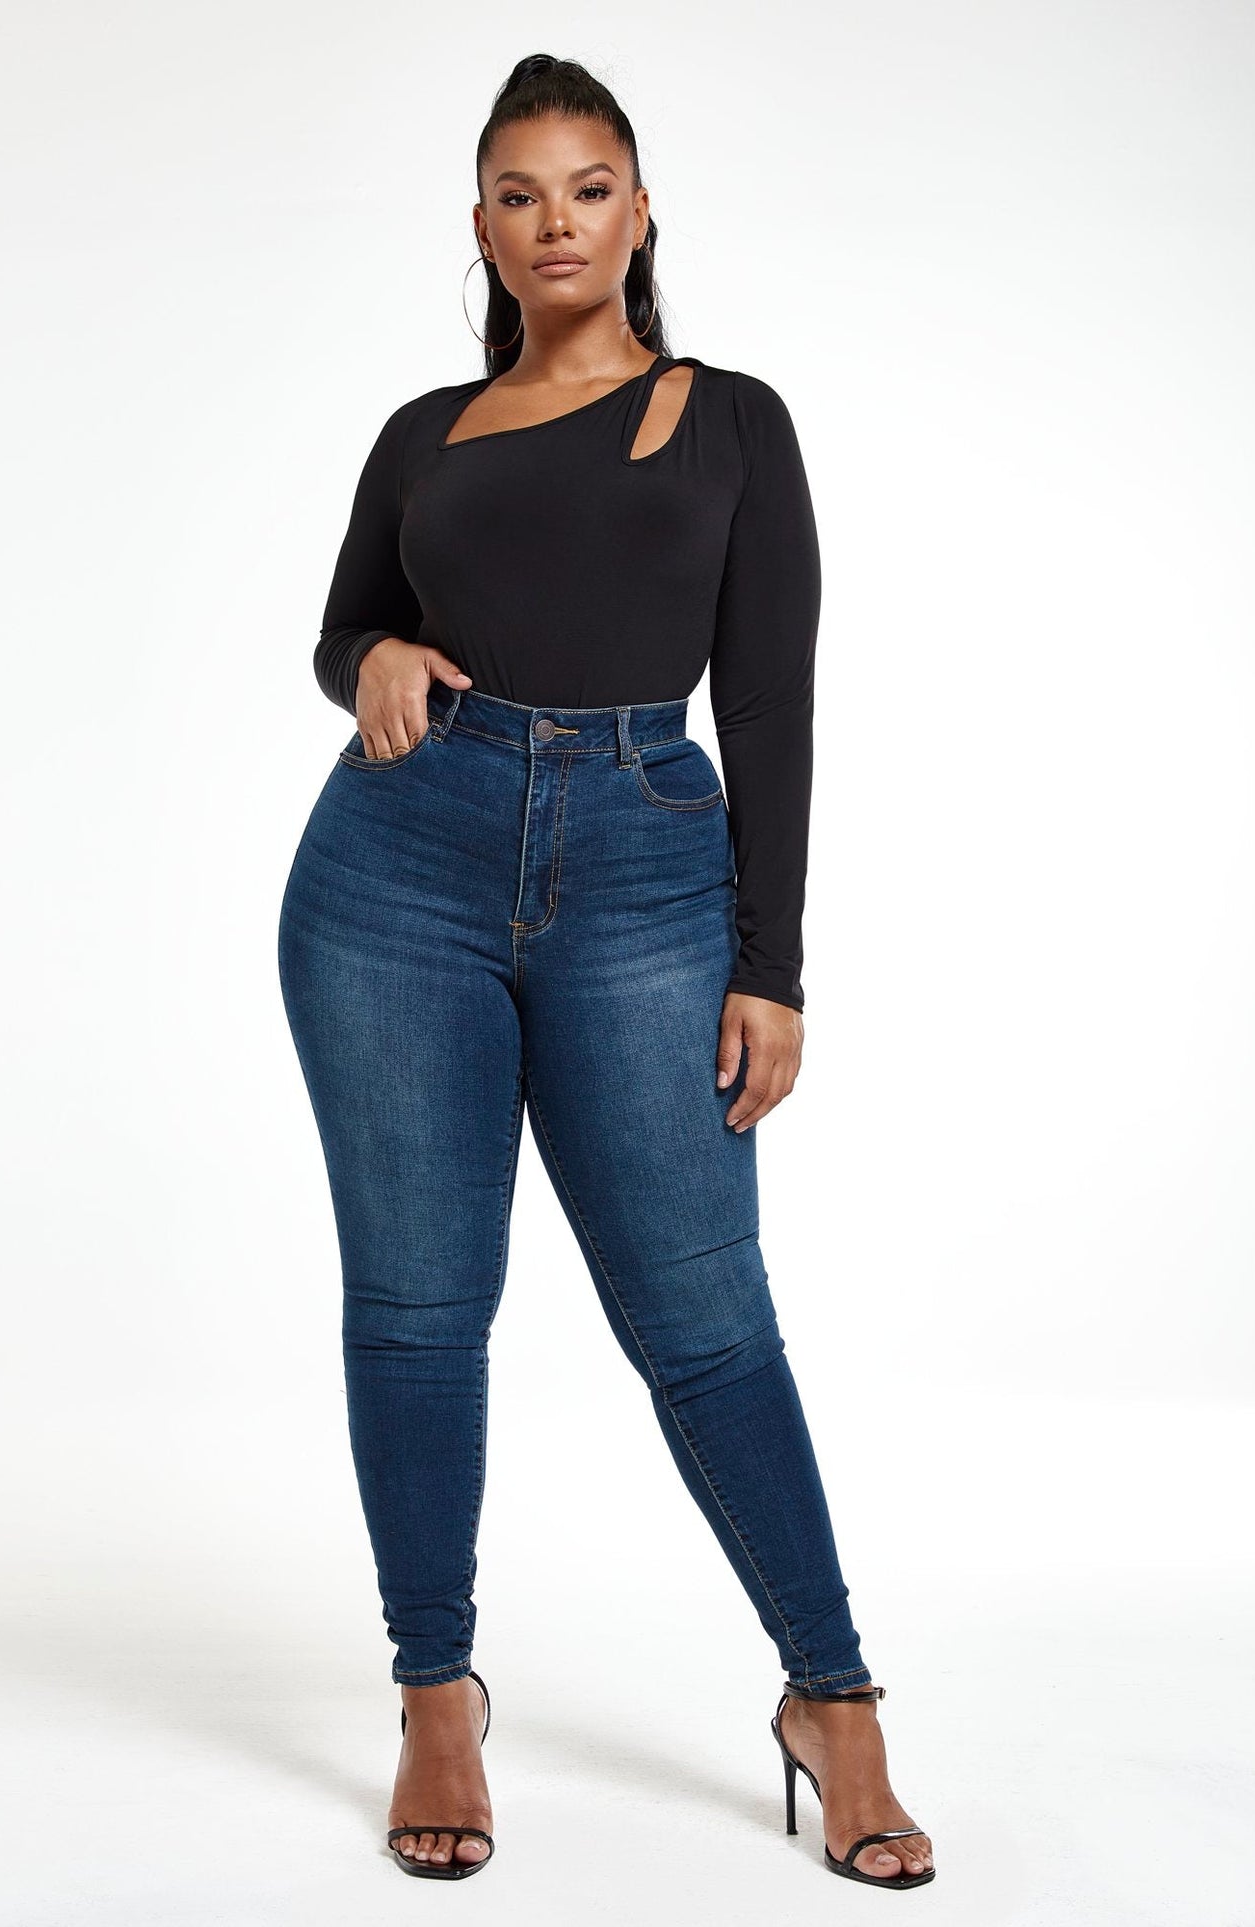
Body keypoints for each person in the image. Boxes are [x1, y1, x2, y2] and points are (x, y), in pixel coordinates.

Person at [277, 52, 935, 1891]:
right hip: (396, 871)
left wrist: (769, 967)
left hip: (646, 869)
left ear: (639, 213)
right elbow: (343, 631)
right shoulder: (424, 432)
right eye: (518, 194)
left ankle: (834, 1699)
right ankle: (434, 1692)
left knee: (704, 1318)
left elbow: (772, 704)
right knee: (417, 1309)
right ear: (480, 228)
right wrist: (371, 662)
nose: (553, 222)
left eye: (586, 188)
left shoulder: (730, 422)